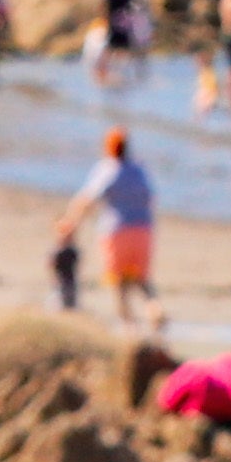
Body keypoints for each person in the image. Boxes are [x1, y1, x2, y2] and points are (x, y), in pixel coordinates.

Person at [54, 125, 162, 330]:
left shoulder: (108, 169)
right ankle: (154, 308)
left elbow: (87, 199)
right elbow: (150, 198)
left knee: (118, 282)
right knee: (143, 280)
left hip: (116, 230)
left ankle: (129, 325)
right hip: (143, 229)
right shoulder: (139, 169)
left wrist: (71, 221)